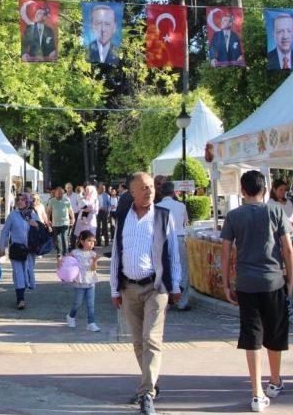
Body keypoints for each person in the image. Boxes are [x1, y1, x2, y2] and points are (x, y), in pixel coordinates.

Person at [220, 170, 293, 413]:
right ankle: (274, 381)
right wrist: (290, 280)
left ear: (242, 191)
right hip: (273, 281)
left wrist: (225, 283)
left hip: (246, 283)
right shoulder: (275, 211)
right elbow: (287, 249)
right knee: (274, 332)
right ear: (265, 190)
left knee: (251, 336)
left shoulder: (233, 216)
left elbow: (226, 251)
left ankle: (256, 392)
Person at [110, 173, 181, 415]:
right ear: (131, 191)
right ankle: (152, 383)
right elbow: (116, 254)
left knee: (152, 339)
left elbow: (172, 253)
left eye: (151, 187)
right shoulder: (122, 217)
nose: (149, 191)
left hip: (156, 286)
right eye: (143, 188)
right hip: (128, 287)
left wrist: (176, 286)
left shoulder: (163, 216)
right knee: (138, 342)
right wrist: (113, 288)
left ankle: (146, 393)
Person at [0, 193, 42, 310]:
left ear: (28, 202)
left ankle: (23, 291)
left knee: (27, 271)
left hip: (29, 251)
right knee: (18, 273)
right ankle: (20, 299)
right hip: (16, 249)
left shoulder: (32, 214)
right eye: (18, 200)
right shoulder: (12, 215)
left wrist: (36, 224)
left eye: (23, 200)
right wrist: (2, 247)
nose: (19, 202)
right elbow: (5, 232)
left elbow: (41, 229)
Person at [155, 181, 190, 311]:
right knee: (183, 271)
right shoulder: (180, 206)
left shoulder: (157, 206)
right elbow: (186, 221)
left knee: (163, 269)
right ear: (173, 192)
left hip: (162, 240)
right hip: (179, 237)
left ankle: (165, 301)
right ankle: (182, 302)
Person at [64, 230, 101, 332]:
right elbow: (66, 262)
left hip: (90, 282)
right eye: (89, 241)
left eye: (93, 241)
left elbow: (93, 269)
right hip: (79, 283)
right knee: (78, 303)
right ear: (81, 241)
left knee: (91, 304)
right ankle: (71, 316)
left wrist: (95, 261)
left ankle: (91, 323)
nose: (91, 243)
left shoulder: (93, 254)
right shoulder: (75, 253)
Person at [46, 184, 75, 258]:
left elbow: (70, 210)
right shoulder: (52, 201)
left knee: (64, 236)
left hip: (65, 222)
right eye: (58, 193)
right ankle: (59, 252)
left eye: (61, 193)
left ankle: (65, 252)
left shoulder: (66, 200)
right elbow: (48, 212)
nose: (60, 195)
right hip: (55, 223)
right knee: (58, 238)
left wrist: (73, 218)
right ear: (55, 193)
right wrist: (48, 220)